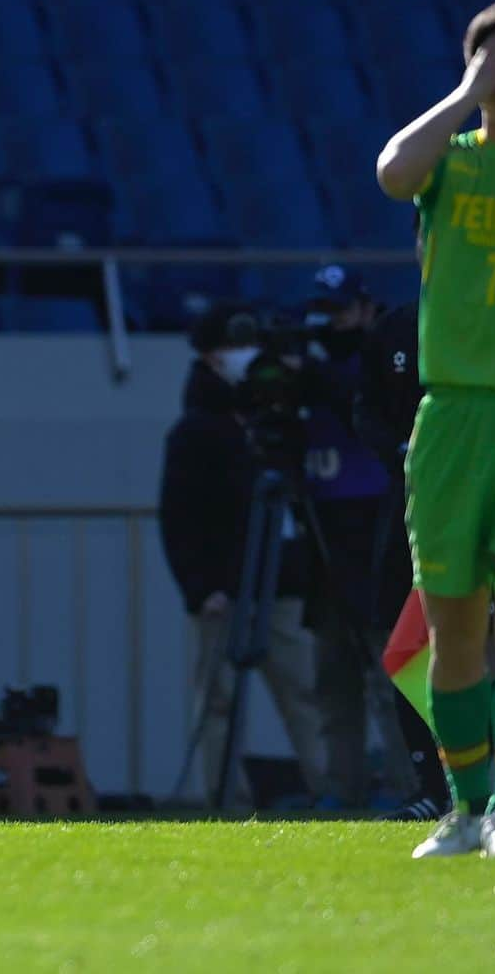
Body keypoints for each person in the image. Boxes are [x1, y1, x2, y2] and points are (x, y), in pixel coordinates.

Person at [377, 0, 495, 858]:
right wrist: (468, 90)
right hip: (450, 418)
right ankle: (463, 805)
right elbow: (391, 171)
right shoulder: (449, 162)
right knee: (455, 627)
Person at [159, 302, 327, 808]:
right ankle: (222, 796)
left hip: (282, 584)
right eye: (233, 348)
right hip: (223, 590)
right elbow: (179, 517)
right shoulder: (194, 432)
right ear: (209, 357)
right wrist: (199, 588)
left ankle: (337, 792)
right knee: (219, 701)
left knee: (306, 693)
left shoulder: (279, 420)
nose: (245, 358)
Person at [301, 265, 418, 811]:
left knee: (391, 671)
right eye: (322, 312)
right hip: (326, 550)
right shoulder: (309, 370)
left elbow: (366, 411)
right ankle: (338, 791)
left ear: (365, 309)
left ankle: (413, 788)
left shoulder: (382, 356)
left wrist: (320, 376)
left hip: (375, 532)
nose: (331, 323)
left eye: (340, 311)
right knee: (332, 684)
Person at [354, 299, 451, 822]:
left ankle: (482, 793)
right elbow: (364, 406)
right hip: (411, 509)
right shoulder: (396, 324)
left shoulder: (485, 312)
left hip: (468, 503)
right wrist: (398, 451)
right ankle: (440, 789)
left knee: (471, 652)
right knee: (407, 655)